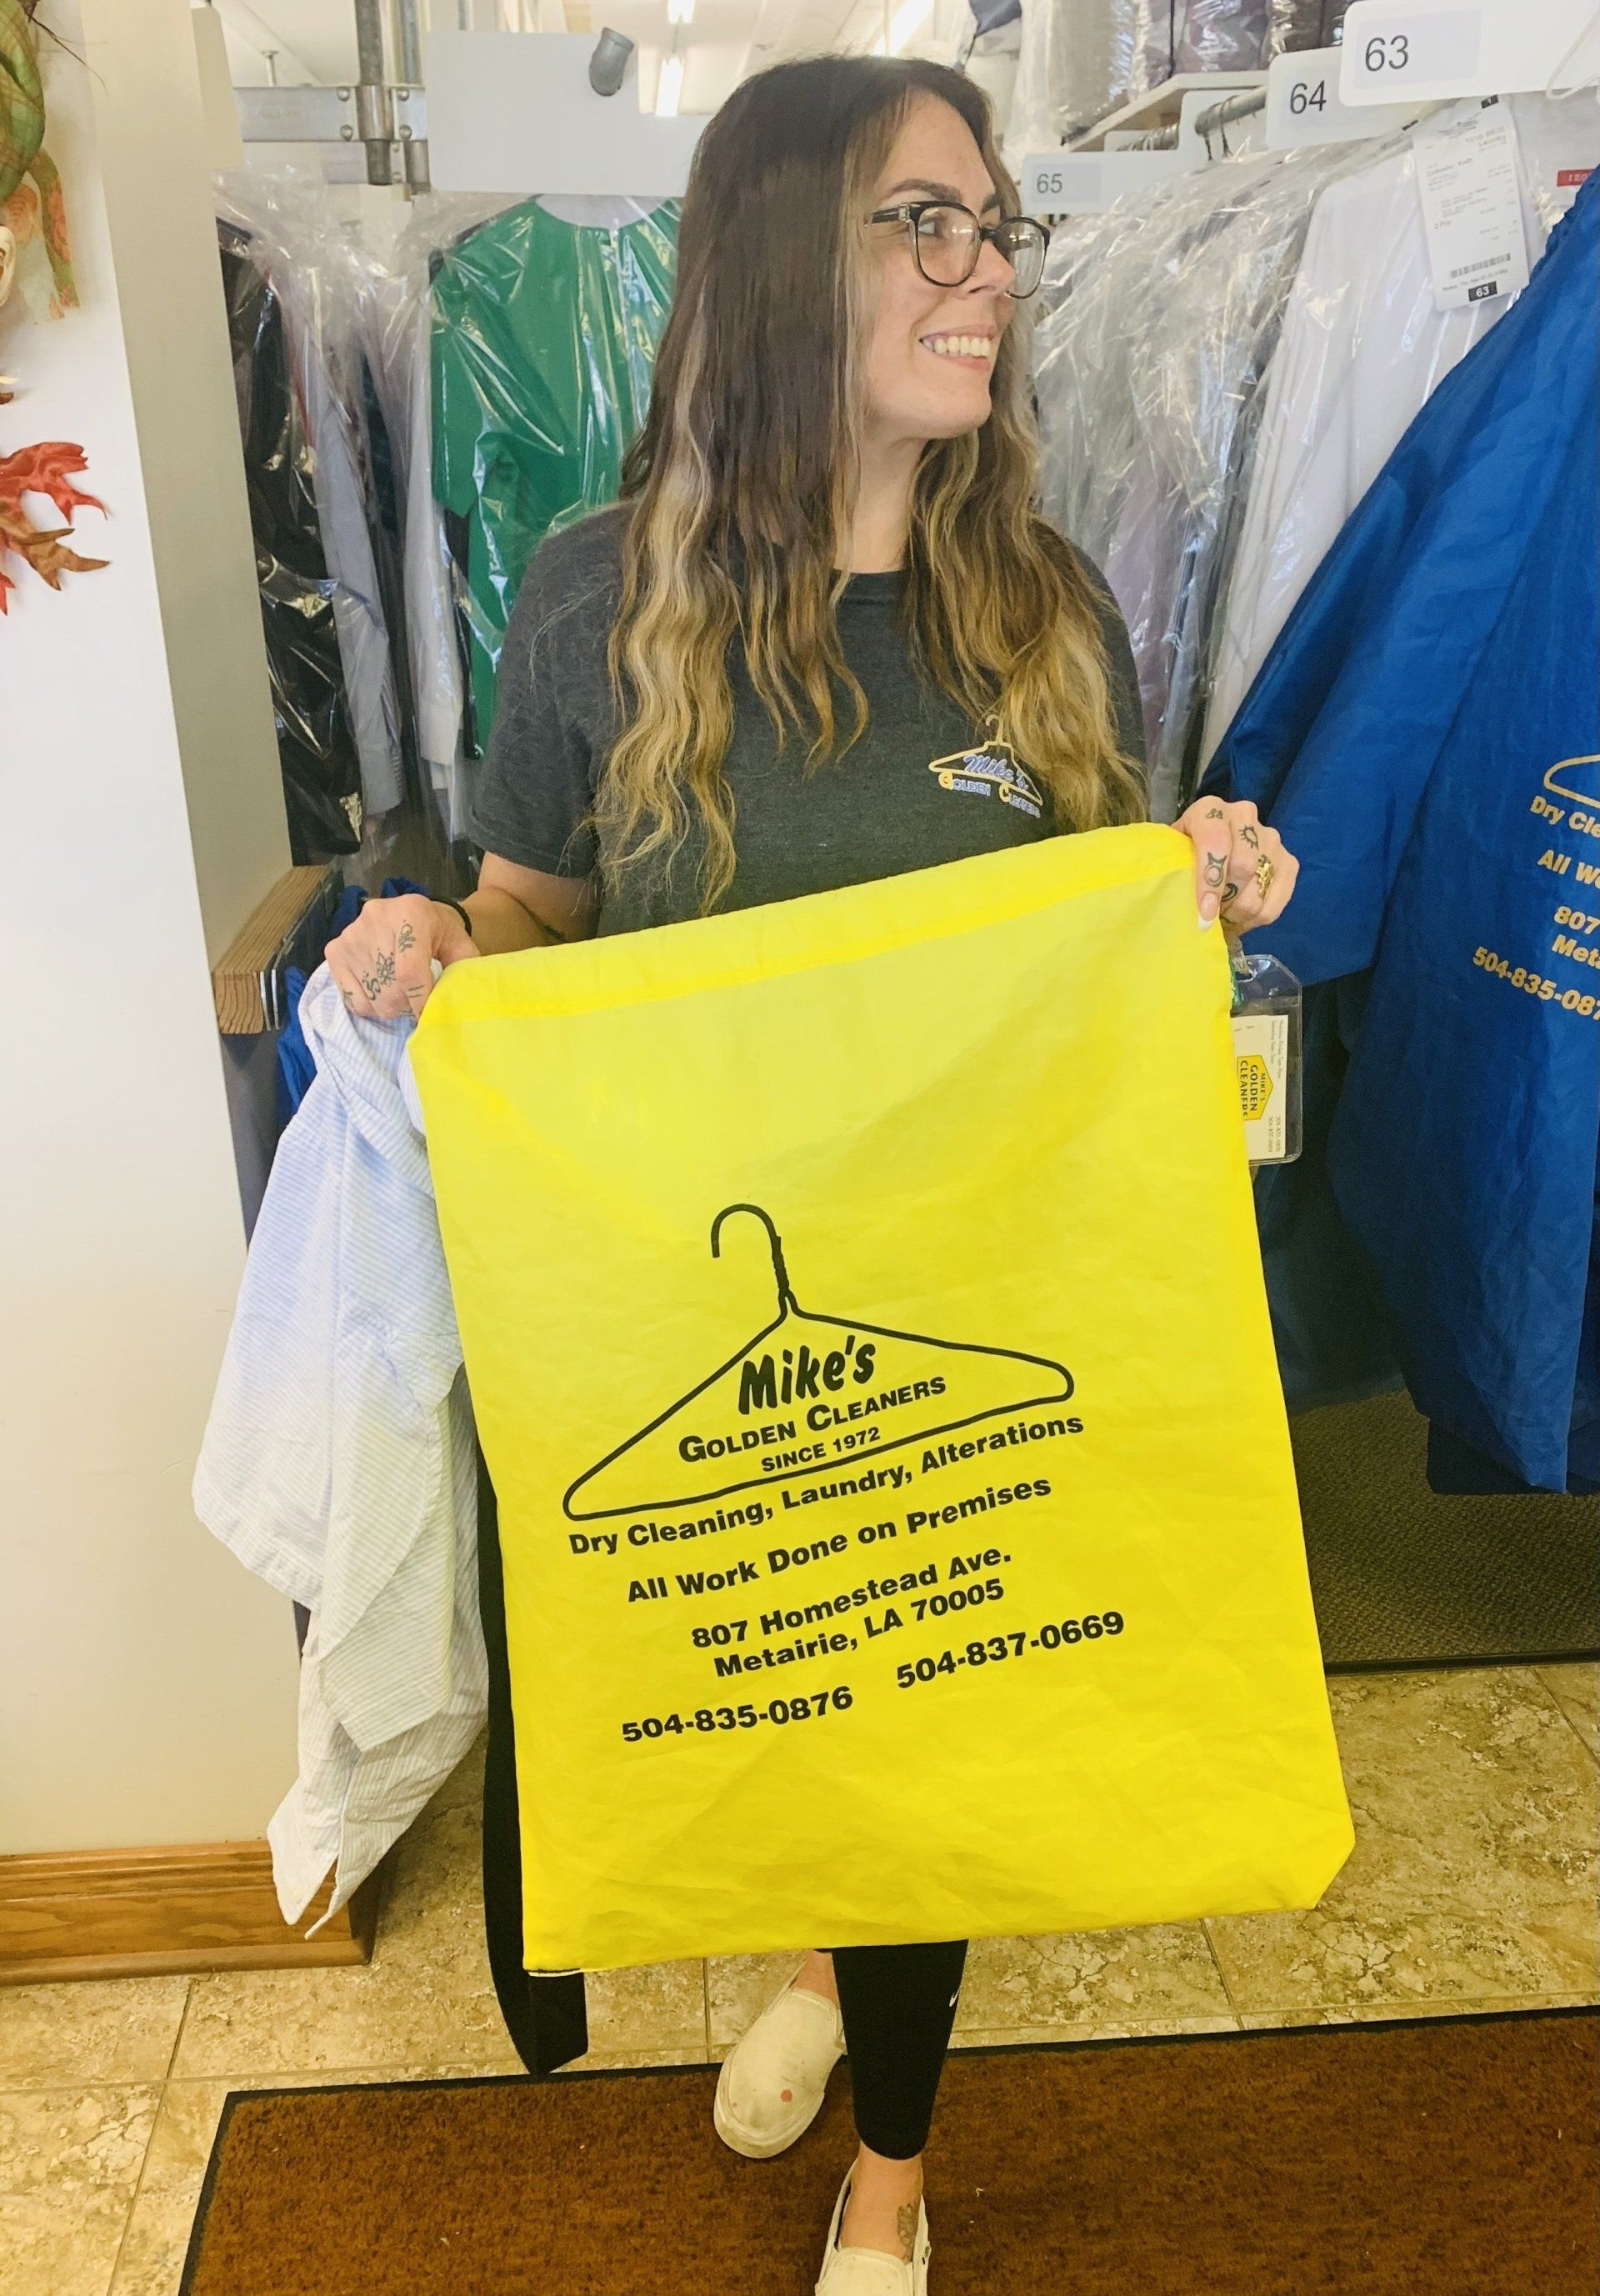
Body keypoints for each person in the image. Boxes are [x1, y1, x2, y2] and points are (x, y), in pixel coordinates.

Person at [327, 53, 1297, 2294]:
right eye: (926, 227)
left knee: (927, 1728)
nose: (988, 280)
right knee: (782, 1698)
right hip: (702, 1299)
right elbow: (540, 916)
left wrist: (1202, 883)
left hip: (962, 1317)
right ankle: (802, 1961)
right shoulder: (599, 595)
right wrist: (429, 943)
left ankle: (895, 2163)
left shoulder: (1039, 606)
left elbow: (1091, 951)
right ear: (784, 262)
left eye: (996, 231)